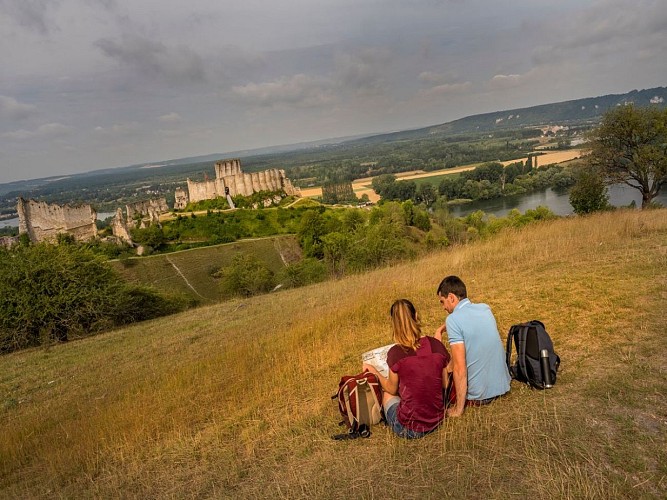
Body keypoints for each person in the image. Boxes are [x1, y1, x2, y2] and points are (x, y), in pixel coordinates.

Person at [363, 299, 452, 439]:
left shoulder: (395, 353)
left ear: (394, 324)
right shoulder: (436, 345)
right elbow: (445, 383)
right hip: (437, 419)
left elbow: (391, 389)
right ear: (416, 316)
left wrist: (374, 372)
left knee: (388, 394)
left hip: (409, 428)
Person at [435, 276, 510, 417]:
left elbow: (459, 368)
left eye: (442, 302)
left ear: (451, 297)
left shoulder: (452, 320)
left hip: (479, 396)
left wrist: (458, 409)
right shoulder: (485, 308)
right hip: (503, 386)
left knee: (441, 373)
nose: (443, 307)